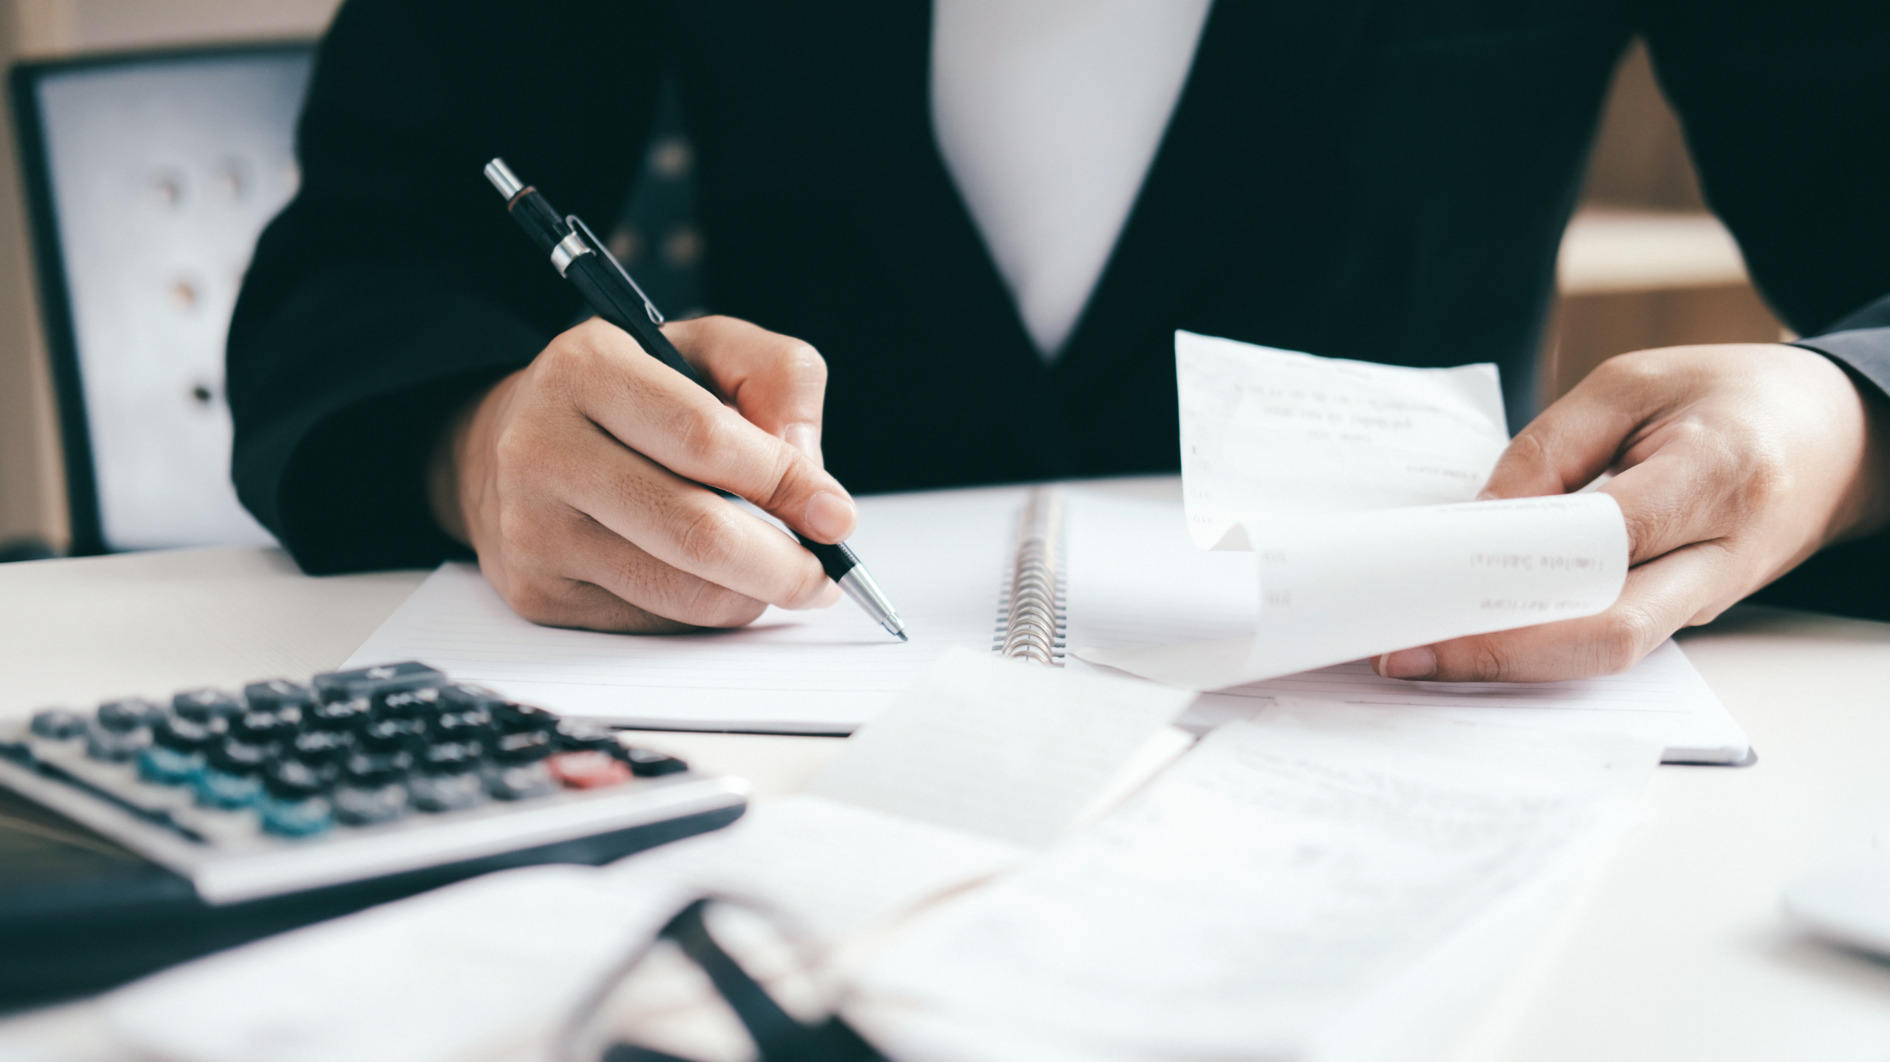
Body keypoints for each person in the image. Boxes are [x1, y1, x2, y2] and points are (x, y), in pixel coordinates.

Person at [227, 0, 1890, 683]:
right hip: (766, 763)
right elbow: (369, 254)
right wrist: (477, 438)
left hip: (1414, 752)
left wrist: (1845, 418)